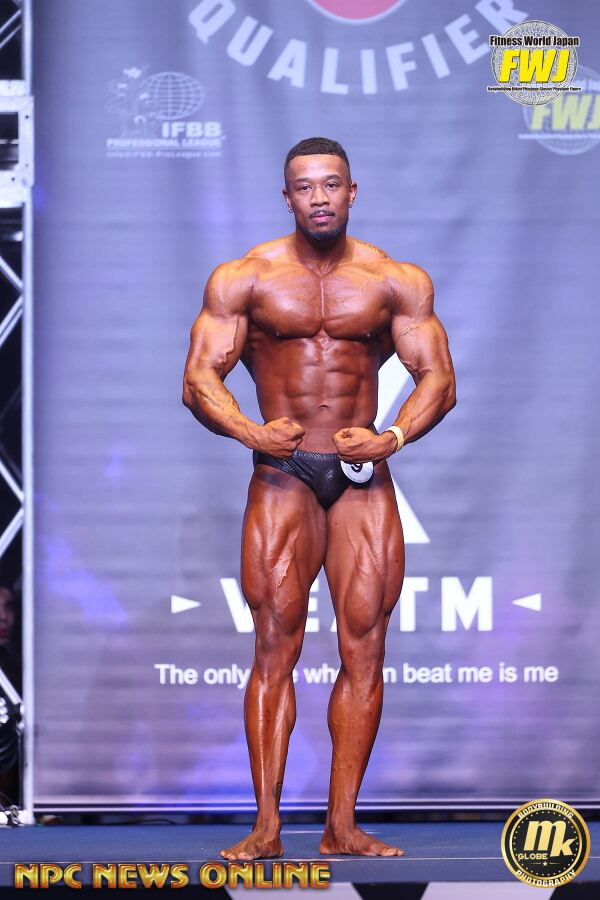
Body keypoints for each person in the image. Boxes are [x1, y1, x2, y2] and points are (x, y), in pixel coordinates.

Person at [183, 137, 456, 859]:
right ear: (287, 198)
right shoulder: (245, 277)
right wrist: (251, 431)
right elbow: (199, 377)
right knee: (275, 644)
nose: (319, 197)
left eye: (331, 184)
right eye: (305, 187)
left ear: (352, 191)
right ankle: (266, 827)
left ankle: (342, 826)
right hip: (283, 472)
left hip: (362, 473)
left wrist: (392, 437)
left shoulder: (395, 280)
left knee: (365, 646)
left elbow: (439, 378)